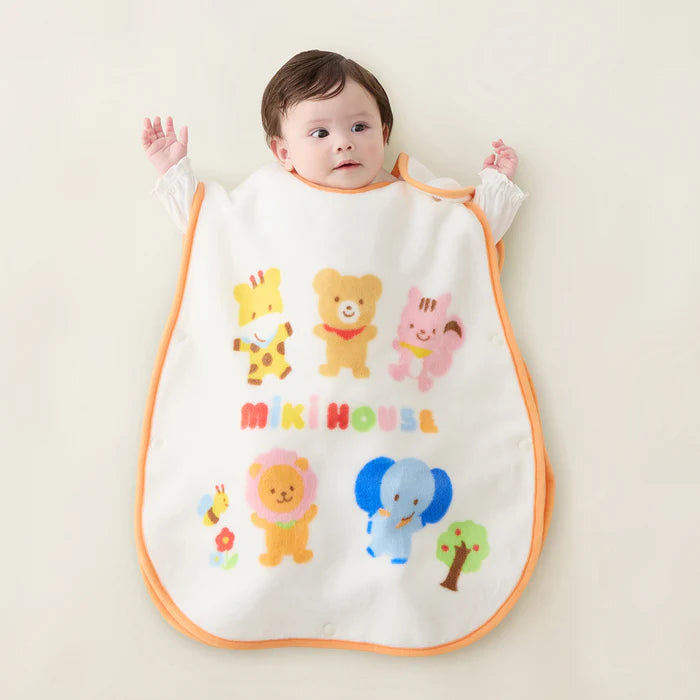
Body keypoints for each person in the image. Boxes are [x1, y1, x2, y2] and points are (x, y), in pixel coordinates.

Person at [142, 49, 526, 240]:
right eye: (320, 133)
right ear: (284, 153)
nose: (344, 143)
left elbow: (469, 236)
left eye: (360, 127)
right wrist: (174, 172)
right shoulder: (272, 199)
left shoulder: (413, 201)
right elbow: (212, 229)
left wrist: (496, 185)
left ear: (384, 134)